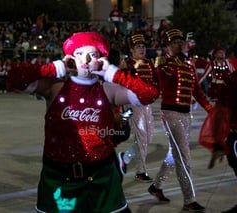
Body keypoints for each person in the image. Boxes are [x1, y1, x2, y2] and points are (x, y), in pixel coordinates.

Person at [20, 31, 159, 212]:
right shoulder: (54, 87)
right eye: (79, 54)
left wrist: (114, 74)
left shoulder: (108, 89)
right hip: (59, 179)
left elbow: (150, 94)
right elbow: (15, 79)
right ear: (70, 58)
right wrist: (54, 68)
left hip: (102, 178)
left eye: (92, 54)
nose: (85, 60)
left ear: (100, 59)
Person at [147, 28, 213, 212]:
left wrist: (210, 109)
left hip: (185, 114)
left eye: (180, 41)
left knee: (173, 154)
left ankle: (156, 186)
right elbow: (162, 79)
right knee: (184, 157)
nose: (178, 44)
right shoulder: (164, 63)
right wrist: (177, 57)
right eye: (174, 42)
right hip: (171, 114)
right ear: (168, 46)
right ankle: (189, 199)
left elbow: (197, 91)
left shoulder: (189, 64)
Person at [118, 32, 159, 182]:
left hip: (146, 104)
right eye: (138, 47)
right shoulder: (126, 64)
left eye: (143, 46)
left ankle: (125, 157)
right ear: (132, 50)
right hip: (133, 102)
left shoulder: (149, 63)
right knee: (142, 136)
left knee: (148, 138)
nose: (142, 49)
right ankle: (141, 172)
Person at [199, 71, 237, 213]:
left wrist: (217, 142)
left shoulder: (232, 80)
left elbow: (222, 111)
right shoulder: (232, 80)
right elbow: (222, 111)